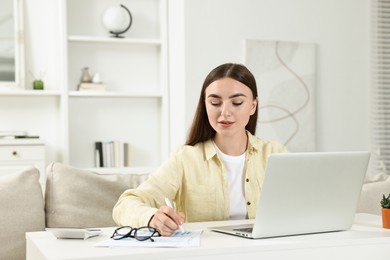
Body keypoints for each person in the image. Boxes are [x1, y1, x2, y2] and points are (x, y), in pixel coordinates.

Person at [112, 63, 287, 236]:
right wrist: (151, 218)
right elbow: (125, 205)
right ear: (205, 105)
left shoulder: (276, 154)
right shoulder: (185, 158)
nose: (225, 112)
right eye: (215, 103)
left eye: (237, 102)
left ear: (253, 106)